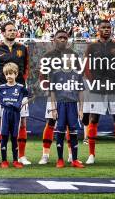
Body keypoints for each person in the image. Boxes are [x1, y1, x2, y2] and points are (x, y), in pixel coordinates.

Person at [83, 19, 115, 165]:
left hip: (114, 87)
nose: (106, 29)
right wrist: (93, 82)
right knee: (94, 119)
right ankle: (91, 155)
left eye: (108, 27)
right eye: (103, 27)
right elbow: (86, 67)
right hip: (97, 88)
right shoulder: (91, 47)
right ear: (98, 29)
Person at [0, 22, 31, 165]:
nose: (12, 32)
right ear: (3, 32)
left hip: (19, 92)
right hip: (3, 91)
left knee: (23, 123)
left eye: (14, 30)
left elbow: (26, 67)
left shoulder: (22, 48)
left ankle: (22, 156)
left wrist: (21, 83)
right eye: (9, 30)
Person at [39, 29, 74, 165]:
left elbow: (78, 75)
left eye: (65, 38)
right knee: (51, 122)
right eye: (60, 37)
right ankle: (45, 155)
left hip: (70, 95)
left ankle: (71, 155)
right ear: (54, 39)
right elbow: (42, 77)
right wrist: (49, 87)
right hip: (54, 96)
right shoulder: (48, 56)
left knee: (70, 125)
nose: (63, 40)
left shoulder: (73, 55)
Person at [48, 44, 85, 168]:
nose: (68, 60)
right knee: (60, 133)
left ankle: (74, 159)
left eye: (70, 58)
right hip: (61, 105)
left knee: (73, 133)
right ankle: (60, 160)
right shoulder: (56, 74)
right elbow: (52, 92)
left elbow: (80, 92)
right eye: (66, 58)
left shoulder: (77, 74)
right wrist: (53, 108)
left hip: (73, 106)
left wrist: (81, 109)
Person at [0, 62, 29, 169]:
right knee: (4, 137)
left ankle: (15, 161)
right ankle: (4, 160)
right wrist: (1, 102)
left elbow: (28, 96)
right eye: (6, 74)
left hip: (16, 114)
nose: (8, 76)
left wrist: (21, 103)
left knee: (14, 137)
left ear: (16, 74)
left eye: (11, 73)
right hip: (5, 113)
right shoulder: (2, 87)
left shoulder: (21, 87)